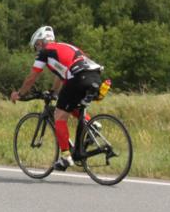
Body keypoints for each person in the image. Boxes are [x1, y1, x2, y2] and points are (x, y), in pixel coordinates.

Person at [10, 26, 102, 171]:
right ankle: (92, 125)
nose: (37, 50)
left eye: (36, 46)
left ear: (41, 42)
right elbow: (61, 75)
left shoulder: (45, 52)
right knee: (70, 106)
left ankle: (65, 157)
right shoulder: (64, 47)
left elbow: (32, 77)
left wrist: (20, 94)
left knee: (58, 114)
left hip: (78, 77)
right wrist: (53, 91)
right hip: (94, 75)